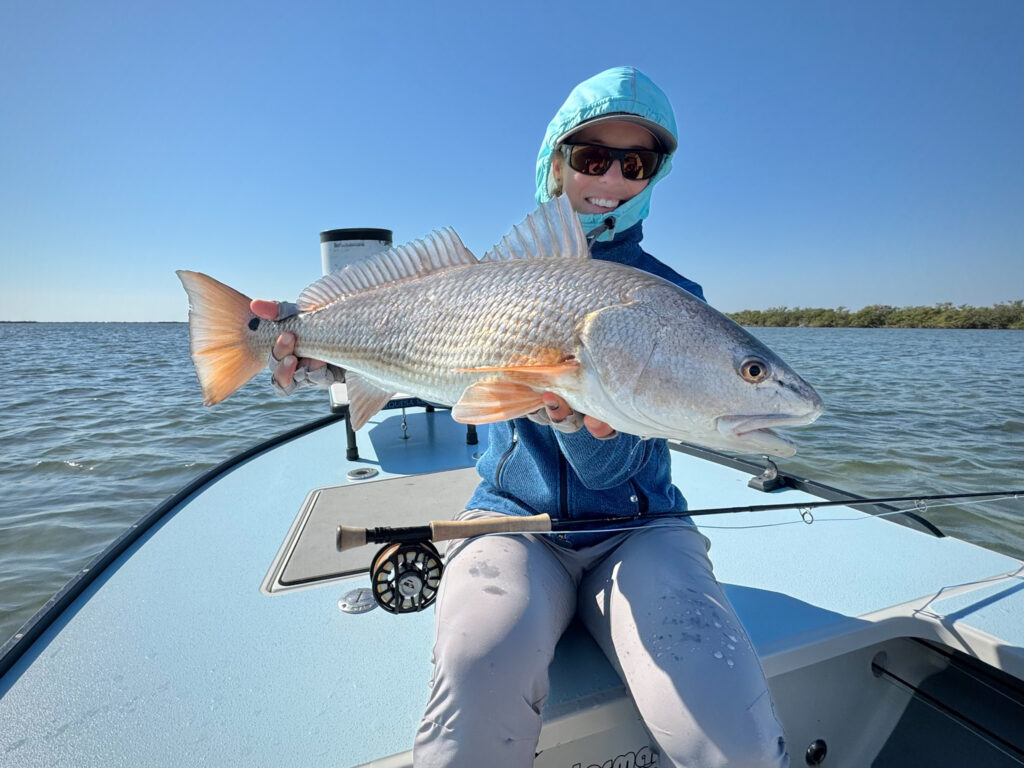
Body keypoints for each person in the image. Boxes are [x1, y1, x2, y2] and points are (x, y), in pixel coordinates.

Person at [253, 67, 789, 768]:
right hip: (509, 521)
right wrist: (313, 355)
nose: (613, 178)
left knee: (735, 735)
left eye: (638, 163)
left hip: (639, 527)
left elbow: (606, 466)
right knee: (473, 680)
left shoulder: (672, 299)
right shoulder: (488, 282)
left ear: (655, 175)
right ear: (554, 162)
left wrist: (573, 418)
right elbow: (412, 357)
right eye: (592, 157)